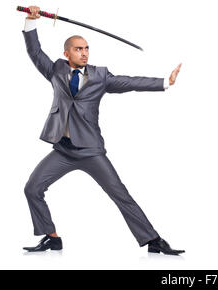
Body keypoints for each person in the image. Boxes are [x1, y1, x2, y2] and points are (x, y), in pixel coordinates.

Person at [21, 6, 184, 255]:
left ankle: (153, 240)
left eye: (87, 48)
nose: (84, 53)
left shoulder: (100, 76)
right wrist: (31, 22)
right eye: (78, 49)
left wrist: (165, 83)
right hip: (62, 150)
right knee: (32, 188)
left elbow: (130, 83)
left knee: (121, 195)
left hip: (90, 150)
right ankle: (51, 237)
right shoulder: (56, 69)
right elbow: (34, 52)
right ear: (66, 53)